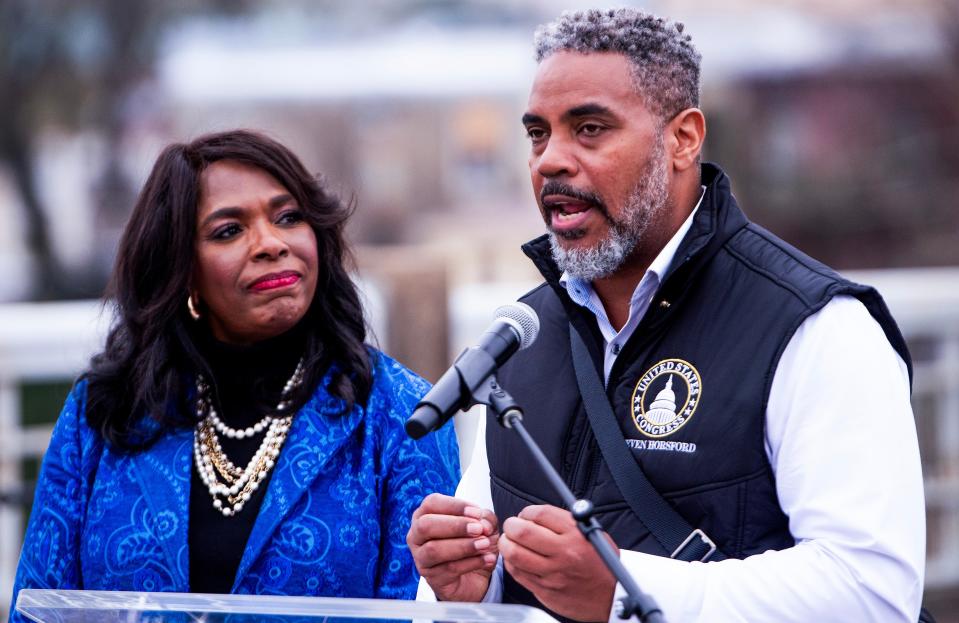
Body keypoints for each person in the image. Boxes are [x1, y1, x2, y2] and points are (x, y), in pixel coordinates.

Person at [408, 8, 925, 622]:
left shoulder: (815, 326)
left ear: (683, 139)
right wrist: (470, 591)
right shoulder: (524, 337)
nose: (550, 160)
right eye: (538, 134)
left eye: (590, 128)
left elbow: (872, 593)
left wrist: (622, 592)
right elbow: (481, 586)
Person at [9, 130, 459, 621]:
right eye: (229, 231)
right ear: (182, 271)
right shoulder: (105, 409)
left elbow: (425, 611)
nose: (271, 243)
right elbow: (39, 608)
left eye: (288, 217)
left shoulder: (401, 413)